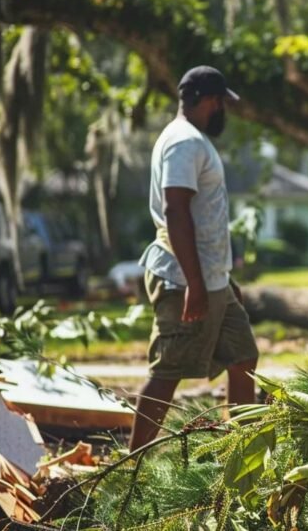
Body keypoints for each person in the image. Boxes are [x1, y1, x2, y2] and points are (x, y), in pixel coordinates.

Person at [129, 66, 259, 450]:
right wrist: (196, 285)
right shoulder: (183, 142)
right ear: (207, 101)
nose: (223, 111)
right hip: (185, 280)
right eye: (221, 103)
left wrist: (220, 276)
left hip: (212, 278)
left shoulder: (194, 140)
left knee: (242, 357)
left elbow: (202, 215)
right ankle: (129, 469)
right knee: (168, 371)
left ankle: (239, 452)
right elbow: (176, 211)